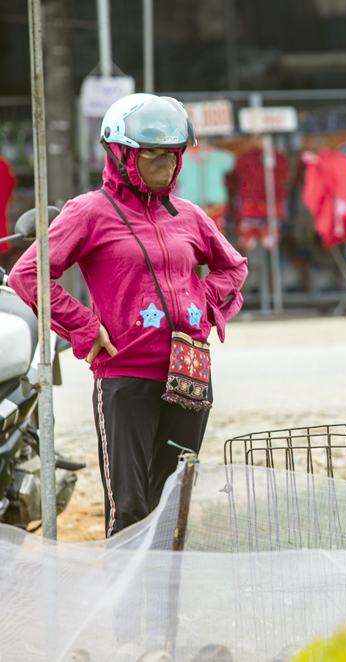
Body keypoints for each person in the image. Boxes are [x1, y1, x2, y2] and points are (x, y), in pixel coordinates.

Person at [9, 93, 248, 536]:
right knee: (132, 507)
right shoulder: (89, 212)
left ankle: (166, 605)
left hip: (190, 373)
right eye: (152, 153)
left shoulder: (190, 215)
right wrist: (84, 326)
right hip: (126, 376)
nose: (166, 164)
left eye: (173, 154)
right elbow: (31, 274)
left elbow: (232, 266)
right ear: (121, 155)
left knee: (175, 504)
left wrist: (200, 304)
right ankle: (130, 604)